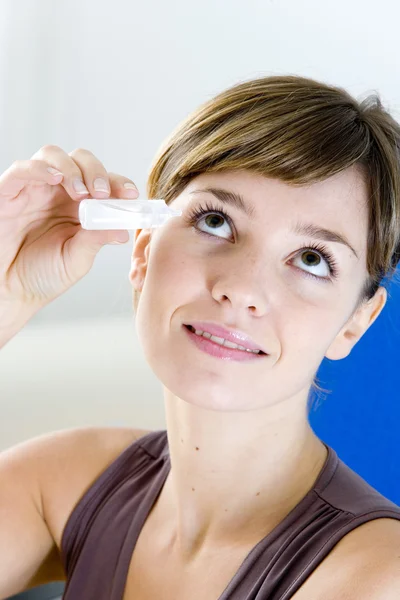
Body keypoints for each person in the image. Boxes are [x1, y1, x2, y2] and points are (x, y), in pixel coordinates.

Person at [1, 74, 400, 600]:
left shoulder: (374, 578)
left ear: (356, 321)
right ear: (143, 251)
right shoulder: (62, 482)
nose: (240, 289)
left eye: (311, 260)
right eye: (216, 221)